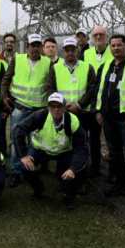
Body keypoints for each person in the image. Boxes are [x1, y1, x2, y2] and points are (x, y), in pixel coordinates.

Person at [14, 93, 89, 210]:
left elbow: (82, 148)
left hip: (64, 152)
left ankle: (69, 196)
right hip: (40, 150)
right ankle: (39, 189)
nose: (55, 109)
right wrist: (23, 155)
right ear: (48, 107)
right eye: (52, 106)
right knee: (24, 167)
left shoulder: (73, 121)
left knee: (80, 168)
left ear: (65, 107)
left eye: (59, 106)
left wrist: (73, 169)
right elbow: (19, 130)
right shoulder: (40, 115)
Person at [1, 33, 52, 188]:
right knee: (16, 140)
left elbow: (50, 85)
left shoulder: (48, 63)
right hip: (19, 108)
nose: (35, 48)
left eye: (38, 45)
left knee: (34, 142)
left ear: (41, 47)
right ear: (28, 46)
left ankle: (29, 170)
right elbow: (6, 79)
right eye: (32, 45)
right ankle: (16, 172)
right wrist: (4, 96)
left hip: (38, 110)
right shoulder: (18, 59)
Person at [45, 37, 97, 177]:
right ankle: (62, 173)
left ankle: (81, 175)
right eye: (67, 50)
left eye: (72, 50)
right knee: (64, 144)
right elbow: (50, 88)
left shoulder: (87, 67)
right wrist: (61, 104)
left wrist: (79, 105)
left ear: (77, 50)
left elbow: (92, 89)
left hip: (83, 113)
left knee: (81, 145)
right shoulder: (55, 68)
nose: (70, 53)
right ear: (63, 51)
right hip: (63, 113)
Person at [95, 34, 125, 205]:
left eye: (119, 45)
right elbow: (101, 91)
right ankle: (121, 184)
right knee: (115, 153)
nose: (116, 48)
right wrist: (99, 111)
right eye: (113, 45)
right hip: (109, 118)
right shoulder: (106, 66)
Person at [84, 26, 113, 180]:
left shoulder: (113, 51)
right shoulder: (87, 53)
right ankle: (94, 166)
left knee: (111, 140)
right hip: (90, 102)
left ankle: (114, 172)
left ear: (106, 36)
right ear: (91, 37)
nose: (99, 37)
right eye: (96, 34)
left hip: (108, 102)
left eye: (102, 34)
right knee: (93, 138)